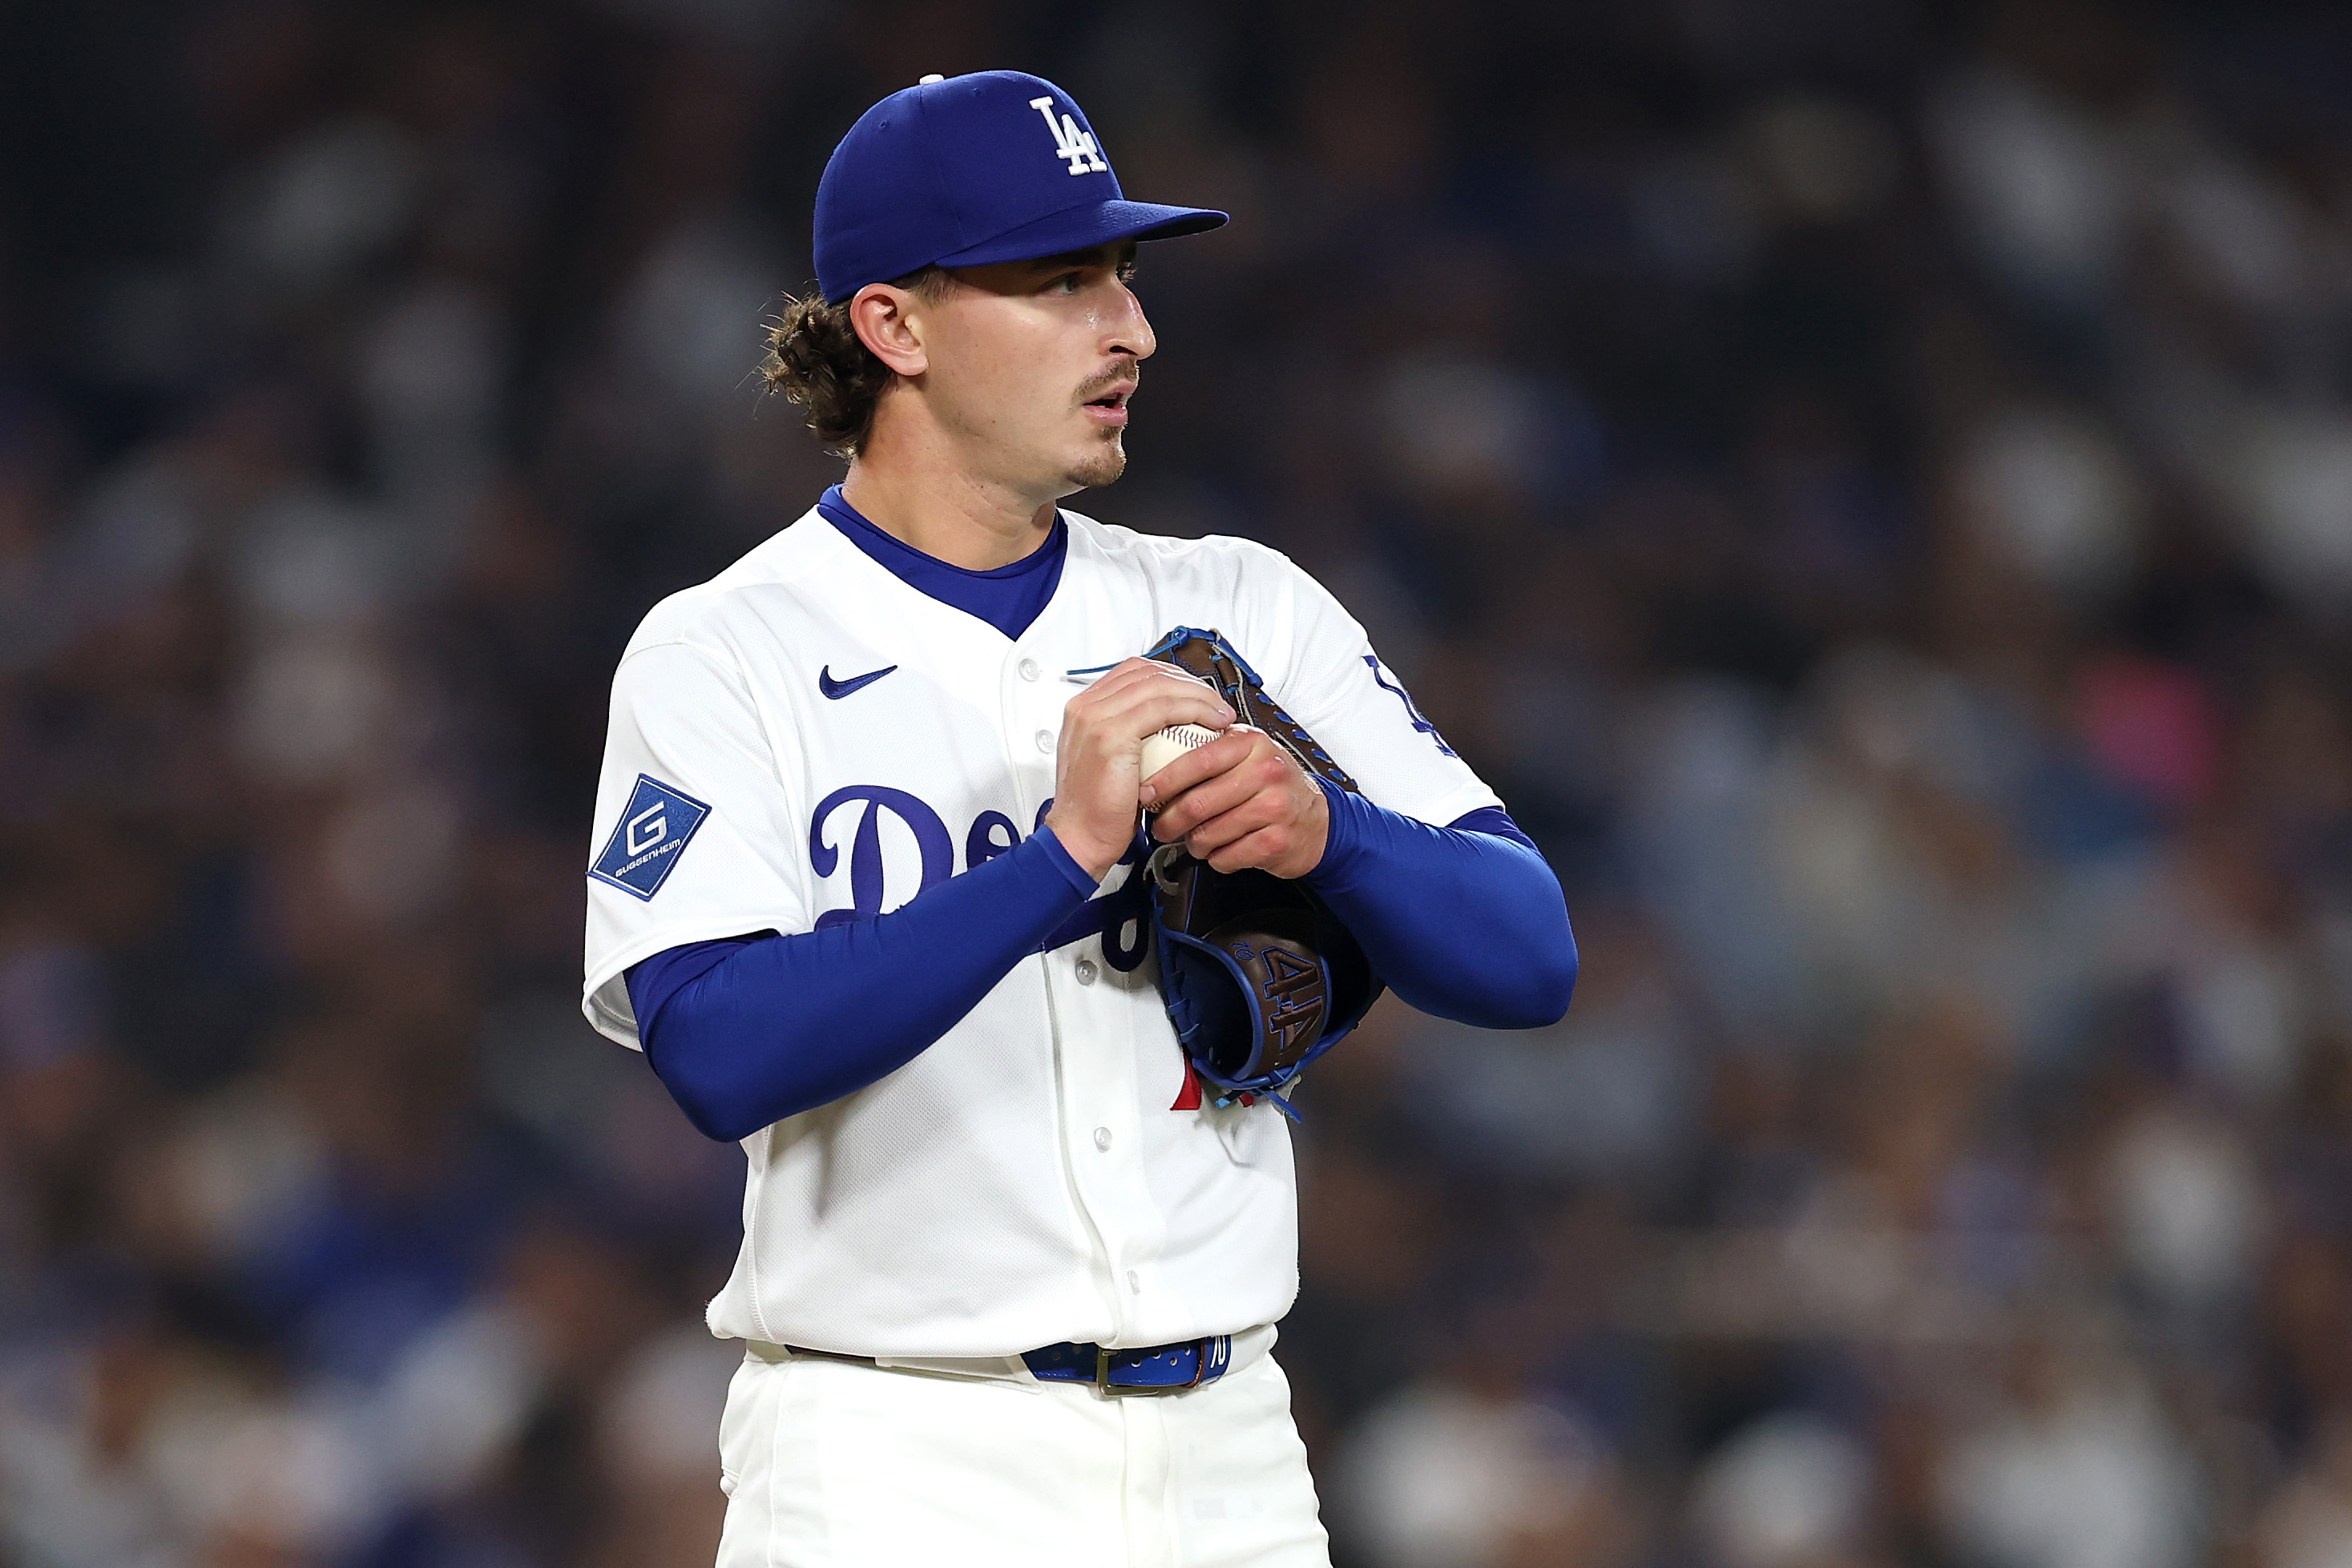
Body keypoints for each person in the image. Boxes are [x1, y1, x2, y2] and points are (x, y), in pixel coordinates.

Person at [580, 68, 1577, 1568]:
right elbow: (715, 1048)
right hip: (897, 1457)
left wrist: (1331, 837)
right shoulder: (728, 648)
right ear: (892, 324)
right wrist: (1059, 859)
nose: (1129, 328)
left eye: (1122, 274)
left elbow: (1531, 954)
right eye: (1059, 281)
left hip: (1229, 1450)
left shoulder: (1234, 603)